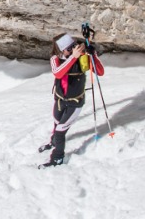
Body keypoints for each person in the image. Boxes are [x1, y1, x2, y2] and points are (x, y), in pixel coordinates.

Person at [41, 29, 104, 167]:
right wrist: (72, 58)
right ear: (61, 51)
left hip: (75, 102)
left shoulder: (81, 58)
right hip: (60, 100)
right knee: (57, 123)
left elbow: (100, 72)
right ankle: (53, 142)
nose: (72, 50)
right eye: (68, 49)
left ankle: (57, 158)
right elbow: (58, 73)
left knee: (60, 130)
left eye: (73, 46)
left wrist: (93, 55)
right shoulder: (55, 59)